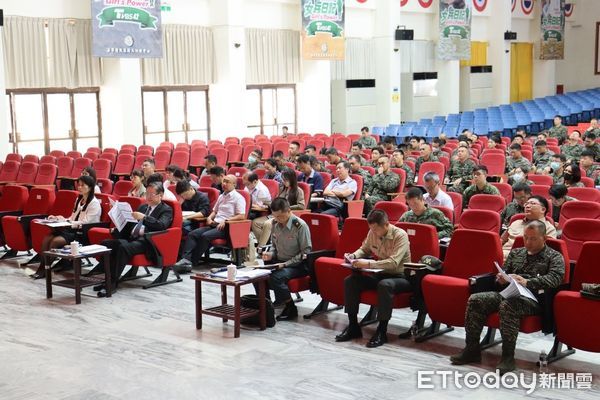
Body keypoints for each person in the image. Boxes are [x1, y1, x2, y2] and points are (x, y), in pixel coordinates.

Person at [451, 220, 564, 374]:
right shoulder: (517, 252)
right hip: (509, 292)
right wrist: (501, 277)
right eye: (525, 237)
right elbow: (504, 272)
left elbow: (555, 279)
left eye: (533, 238)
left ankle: (508, 357)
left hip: (534, 299)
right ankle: (472, 349)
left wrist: (528, 282)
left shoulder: (554, 256)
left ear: (544, 239)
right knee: (476, 299)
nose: (528, 242)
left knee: (509, 306)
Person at [335, 209, 411, 348]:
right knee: (351, 281)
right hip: (380, 273)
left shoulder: (400, 235)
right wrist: (354, 256)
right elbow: (364, 249)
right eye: (371, 229)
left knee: (385, 285)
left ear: (386, 225)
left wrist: (368, 263)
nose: (373, 232)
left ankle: (382, 331)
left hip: (400, 277)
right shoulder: (372, 232)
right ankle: (353, 326)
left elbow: (394, 262)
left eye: (375, 229)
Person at [97, 182, 174, 297]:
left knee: (123, 248)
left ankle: (111, 284)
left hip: (148, 242)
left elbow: (161, 225)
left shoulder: (166, 210)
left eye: (152, 194)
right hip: (132, 237)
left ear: (160, 195)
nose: (148, 197)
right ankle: (106, 279)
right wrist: (118, 218)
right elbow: (131, 224)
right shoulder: (143, 207)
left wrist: (145, 217)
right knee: (106, 244)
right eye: (147, 194)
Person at [30, 175, 102, 279]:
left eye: (82, 185)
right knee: (47, 238)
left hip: (82, 234)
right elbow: (72, 217)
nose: (79, 187)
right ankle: (43, 268)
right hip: (72, 230)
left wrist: (68, 222)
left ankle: (45, 269)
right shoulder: (79, 199)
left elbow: (86, 223)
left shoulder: (94, 203)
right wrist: (60, 219)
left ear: (90, 187)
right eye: (79, 185)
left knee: (55, 242)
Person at [174, 175, 246, 273]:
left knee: (205, 236)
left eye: (227, 182)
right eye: (223, 181)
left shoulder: (238, 198)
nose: (224, 184)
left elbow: (241, 216)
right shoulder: (221, 196)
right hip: (214, 224)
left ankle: (192, 262)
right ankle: (185, 259)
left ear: (234, 184)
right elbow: (214, 211)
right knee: (193, 234)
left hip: (227, 227)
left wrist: (226, 221)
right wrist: (209, 217)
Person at [260, 198, 312, 321]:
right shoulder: (274, 224)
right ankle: (265, 305)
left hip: (298, 265)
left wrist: (285, 264)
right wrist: (270, 254)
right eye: (275, 216)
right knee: (258, 276)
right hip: (279, 262)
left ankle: (291, 308)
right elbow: (273, 245)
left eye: (280, 216)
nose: (278, 220)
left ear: (289, 211)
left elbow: (306, 252)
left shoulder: (300, 226)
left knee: (277, 277)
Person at [251, 169, 305, 247]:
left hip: (286, 215)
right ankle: (266, 245)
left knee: (267, 224)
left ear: (291, 179)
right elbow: (277, 201)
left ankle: (261, 247)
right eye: (283, 179)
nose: (283, 181)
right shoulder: (282, 188)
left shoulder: (298, 191)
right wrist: (269, 204)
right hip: (275, 214)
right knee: (255, 223)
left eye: (285, 180)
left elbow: (301, 206)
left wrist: (286, 208)